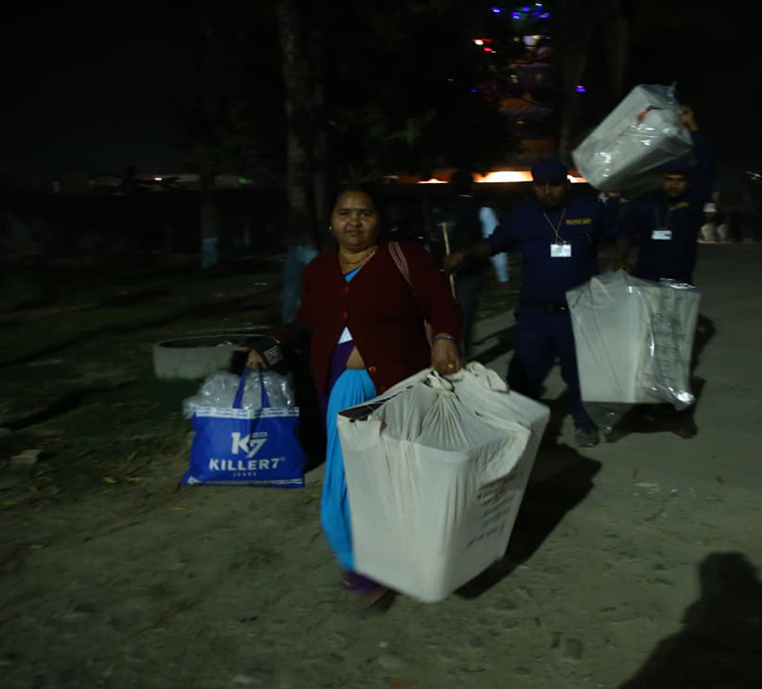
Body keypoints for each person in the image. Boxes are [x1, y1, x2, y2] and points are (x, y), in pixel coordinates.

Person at [240, 185, 463, 611]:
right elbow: (306, 321)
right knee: (342, 485)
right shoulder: (320, 269)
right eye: (345, 213)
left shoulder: (405, 257)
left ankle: (409, 554)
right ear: (331, 222)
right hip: (344, 389)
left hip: (402, 387)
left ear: (379, 220)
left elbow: (442, 306)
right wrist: (271, 341)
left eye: (364, 213)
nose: (354, 221)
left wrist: (446, 336)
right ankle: (362, 568)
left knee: (400, 476)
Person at [444, 159, 620, 447]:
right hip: (534, 314)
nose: (547, 191)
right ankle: (522, 426)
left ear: (567, 185)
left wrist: (622, 258)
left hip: (579, 313)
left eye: (554, 185)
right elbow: (494, 243)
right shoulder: (523, 215)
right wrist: (465, 255)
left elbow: (618, 234)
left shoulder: (588, 210)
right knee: (523, 374)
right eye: (540, 185)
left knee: (580, 374)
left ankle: (584, 423)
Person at [615, 106, 713, 284]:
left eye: (679, 180)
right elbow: (625, 233)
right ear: (660, 180)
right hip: (646, 279)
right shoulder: (645, 203)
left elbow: (706, 164)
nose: (674, 184)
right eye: (669, 179)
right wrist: (621, 259)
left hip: (681, 281)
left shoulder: (693, 201)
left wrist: (692, 125)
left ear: (687, 183)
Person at [428, 171, 510, 354]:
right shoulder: (482, 210)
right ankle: (461, 355)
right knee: (464, 315)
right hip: (469, 271)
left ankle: (444, 352)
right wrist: (503, 276)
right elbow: (494, 244)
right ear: (472, 187)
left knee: (443, 313)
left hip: (442, 270)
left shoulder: (441, 210)